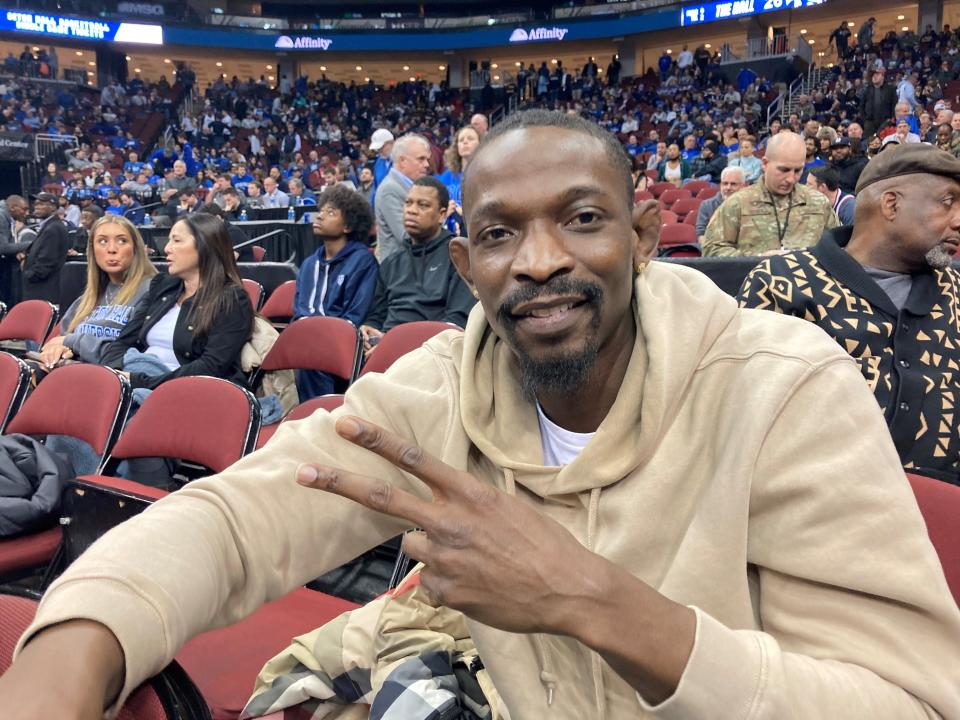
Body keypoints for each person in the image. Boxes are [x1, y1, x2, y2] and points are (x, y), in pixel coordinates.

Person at [5, 110, 960, 719]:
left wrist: (588, 599)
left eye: (581, 219)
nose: (538, 259)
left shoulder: (784, 389)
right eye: (501, 233)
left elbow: (908, 702)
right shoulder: (442, 388)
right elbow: (239, 517)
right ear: (469, 271)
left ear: (642, 240)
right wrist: (72, 647)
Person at [738, 143, 960, 484]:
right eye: (948, 202)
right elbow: (744, 414)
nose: (958, 219)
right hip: (820, 507)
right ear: (891, 204)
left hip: (945, 512)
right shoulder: (782, 282)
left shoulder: (955, 288)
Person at [100, 213, 253, 392]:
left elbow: (211, 367)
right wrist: (112, 375)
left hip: (193, 393)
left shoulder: (232, 299)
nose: (167, 248)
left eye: (176, 240)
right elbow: (122, 342)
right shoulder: (162, 286)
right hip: (138, 380)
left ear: (205, 246)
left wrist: (140, 381)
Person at [361, 177, 474, 350]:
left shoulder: (458, 257)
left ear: (442, 215)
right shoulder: (391, 262)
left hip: (432, 354)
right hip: (384, 350)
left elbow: (455, 324)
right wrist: (369, 327)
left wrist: (397, 347)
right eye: (408, 203)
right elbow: (377, 316)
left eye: (423, 205)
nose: (412, 211)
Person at [294, 186, 379, 400]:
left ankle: (323, 418)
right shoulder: (309, 264)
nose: (320, 215)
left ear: (348, 226)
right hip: (308, 342)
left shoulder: (362, 261)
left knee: (313, 359)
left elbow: (355, 314)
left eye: (331, 212)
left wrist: (322, 336)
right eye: (321, 210)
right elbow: (299, 312)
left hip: (342, 342)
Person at [38, 215, 156, 368]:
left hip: (115, 379)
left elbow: (130, 355)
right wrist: (57, 351)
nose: (112, 249)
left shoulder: (151, 292)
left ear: (136, 248)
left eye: (122, 241)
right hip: (73, 372)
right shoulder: (86, 299)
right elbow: (58, 341)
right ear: (92, 250)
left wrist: (73, 342)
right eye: (102, 241)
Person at [703, 131, 839, 257]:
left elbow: (841, 247)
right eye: (784, 170)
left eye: (798, 171)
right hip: (755, 280)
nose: (791, 178)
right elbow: (711, 250)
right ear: (765, 164)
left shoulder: (819, 203)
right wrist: (757, 259)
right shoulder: (737, 203)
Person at [374, 133, 431, 262]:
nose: (427, 164)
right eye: (421, 159)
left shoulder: (412, 187)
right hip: (399, 274)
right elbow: (407, 236)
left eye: (427, 159)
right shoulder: (389, 190)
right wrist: (439, 222)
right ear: (402, 161)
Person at [21, 192, 69, 304]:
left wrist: (28, 275)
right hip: (43, 287)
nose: (36, 206)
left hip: (44, 289)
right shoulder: (50, 226)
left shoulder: (53, 228)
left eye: (41, 204)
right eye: (36, 203)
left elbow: (47, 262)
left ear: (53, 207)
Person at [436, 125, 481, 233]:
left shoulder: (487, 175)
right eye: (461, 140)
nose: (465, 142)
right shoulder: (446, 176)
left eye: (470, 139)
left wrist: (464, 213)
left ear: (481, 144)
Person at [695, 166, 745, 242]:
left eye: (733, 184)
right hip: (715, 249)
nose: (728, 187)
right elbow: (701, 234)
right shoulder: (707, 205)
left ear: (743, 186)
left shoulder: (750, 205)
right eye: (725, 183)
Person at [859, 68, 896, 138]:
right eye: (873, 75)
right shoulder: (867, 90)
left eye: (877, 74)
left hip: (885, 121)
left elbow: (894, 104)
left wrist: (891, 119)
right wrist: (864, 120)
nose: (874, 76)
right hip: (870, 122)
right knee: (869, 142)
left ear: (883, 76)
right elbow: (861, 106)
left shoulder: (890, 89)